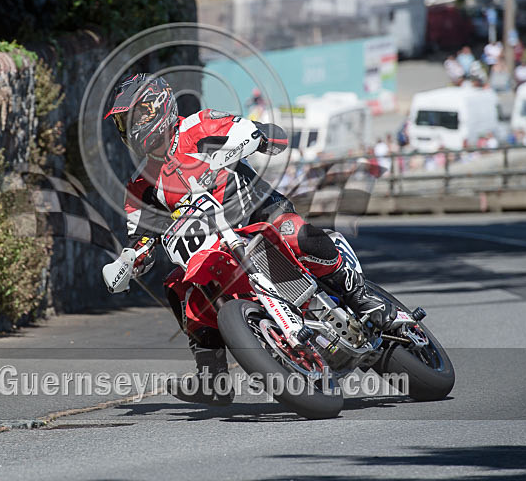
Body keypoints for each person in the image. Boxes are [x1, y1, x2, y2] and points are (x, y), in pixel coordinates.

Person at [102, 74, 395, 405]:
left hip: (258, 214)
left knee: (296, 234)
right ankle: (212, 377)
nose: (133, 127)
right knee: (180, 288)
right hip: (214, 244)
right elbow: (140, 232)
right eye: (125, 122)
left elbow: (243, 129)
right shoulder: (141, 183)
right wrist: (128, 259)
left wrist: (256, 137)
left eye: (137, 115)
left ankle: (359, 297)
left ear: (159, 104)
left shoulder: (198, 125)